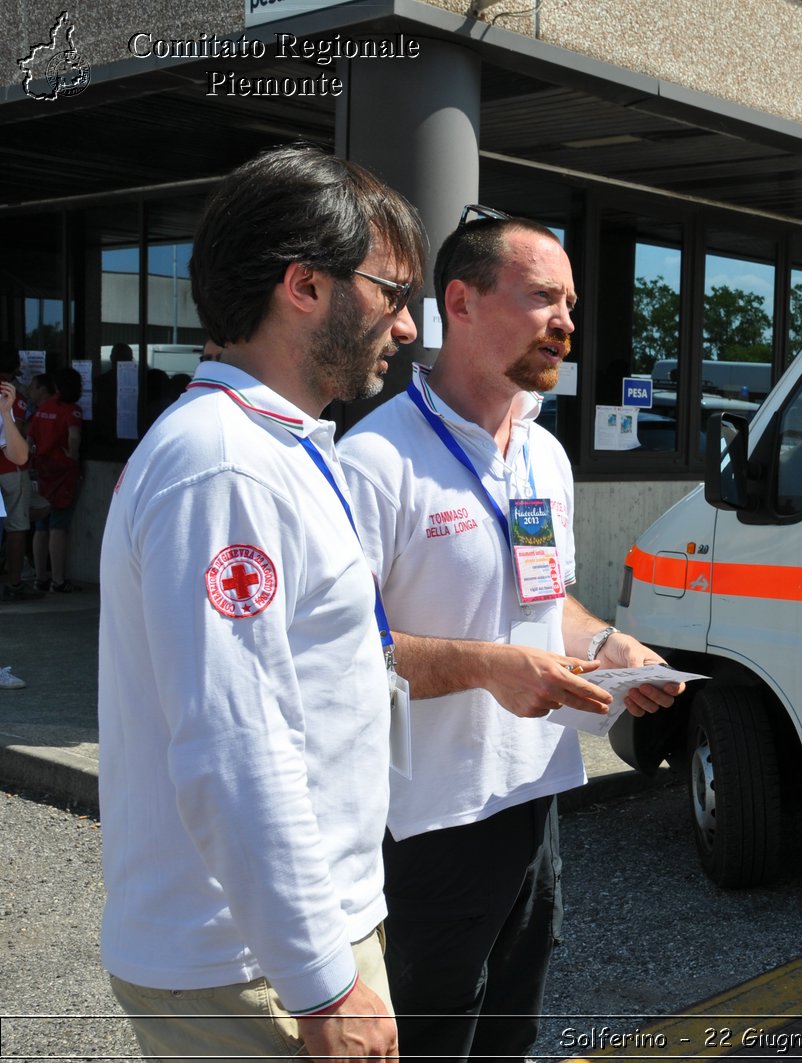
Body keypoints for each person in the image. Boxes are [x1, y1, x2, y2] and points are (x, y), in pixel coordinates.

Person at [97, 144, 428, 1062]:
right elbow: (235, 743)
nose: (405, 328)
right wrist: (323, 978)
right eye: (391, 294)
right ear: (306, 286)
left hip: (270, 941)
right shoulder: (227, 464)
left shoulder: (268, 445)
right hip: (251, 959)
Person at [339, 209, 686, 1062]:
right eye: (541, 298)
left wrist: (612, 646)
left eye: (570, 302)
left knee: (509, 1035)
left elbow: (547, 597)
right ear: (460, 301)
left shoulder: (543, 453)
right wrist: (490, 669)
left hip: (534, 797)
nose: (567, 322)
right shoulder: (376, 461)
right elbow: (342, 656)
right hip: (424, 821)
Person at [28, 365, 83, 592]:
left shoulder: (42, 409)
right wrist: (73, 455)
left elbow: (30, 438)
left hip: (42, 470)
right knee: (58, 527)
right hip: (63, 473)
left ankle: (40, 577)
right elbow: (74, 436)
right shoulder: (72, 411)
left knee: (41, 526)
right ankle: (58, 580)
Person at [0, 342, 37, 601]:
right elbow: (19, 440)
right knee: (16, 526)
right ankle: (14, 582)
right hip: (11, 467)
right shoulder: (13, 394)